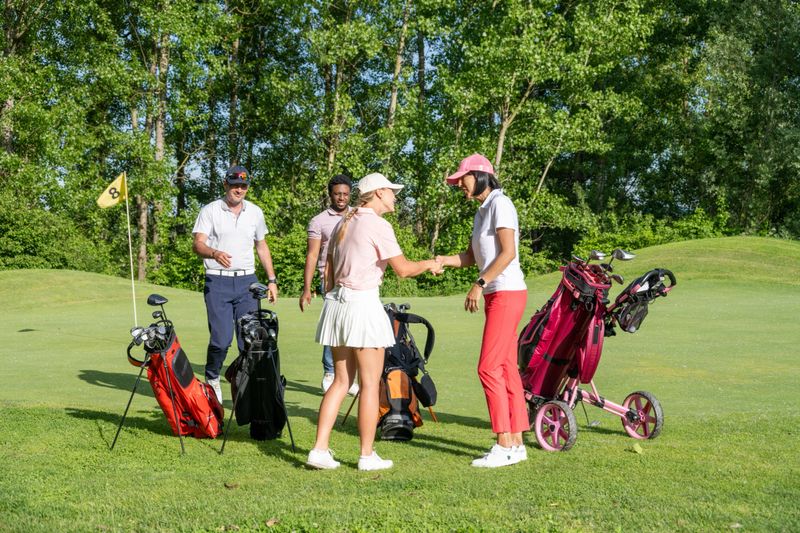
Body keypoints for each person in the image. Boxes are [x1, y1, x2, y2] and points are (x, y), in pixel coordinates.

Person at [306, 172, 443, 471]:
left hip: (337, 305)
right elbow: (403, 269)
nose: (395, 196)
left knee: (341, 382)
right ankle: (367, 455)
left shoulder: (345, 220)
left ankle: (319, 450)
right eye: (392, 191)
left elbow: (328, 272)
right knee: (369, 385)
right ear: (379, 193)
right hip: (361, 305)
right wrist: (431, 264)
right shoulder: (378, 225)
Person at [436, 153, 529, 468]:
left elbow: (507, 253)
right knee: (504, 367)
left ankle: (503, 443)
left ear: (480, 175)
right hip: (498, 293)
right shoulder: (481, 211)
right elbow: (474, 256)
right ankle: (516, 443)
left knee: (487, 368)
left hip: (506, 291)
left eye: (463, 178)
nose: (459, 184)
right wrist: (444, 261)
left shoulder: (501, 204)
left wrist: (479, 284)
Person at [191, 165, 279, 403]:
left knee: (248, 339)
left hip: (247, 283)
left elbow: (261, 246)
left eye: (243, 185)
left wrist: (271, 280)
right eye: (234, 185)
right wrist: (213, 252)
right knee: (221, 339)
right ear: (225, 185)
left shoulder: (255, 212)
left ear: (247, 187)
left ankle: (245, 385)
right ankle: (212, 376)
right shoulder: (210, 210)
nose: (238, 189)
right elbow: (197, 244)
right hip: (218, 281)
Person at [299, 175, 359, 396]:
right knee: (334, 327)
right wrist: (307, 288)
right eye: (337, 194)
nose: (341, 198)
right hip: (330, 280)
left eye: (345, 193)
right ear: (330, 194)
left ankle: (349, 377)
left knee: (354, 327)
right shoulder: (319, 221)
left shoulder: (359, 215)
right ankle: (330, 373)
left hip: (356, 280)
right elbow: (313, 254)